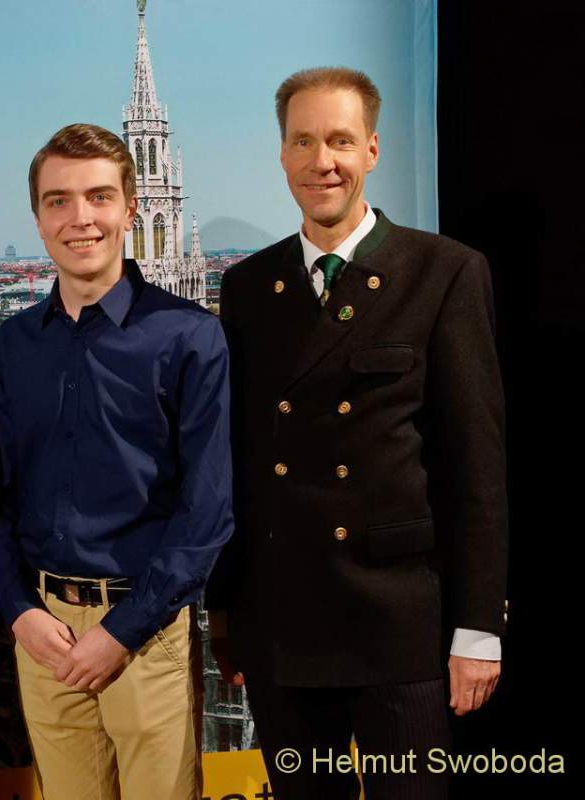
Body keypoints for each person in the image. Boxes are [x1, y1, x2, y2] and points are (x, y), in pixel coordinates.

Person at [206, 67, 508, 800]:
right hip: (284, 625)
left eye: (340, 141)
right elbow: (240, 465)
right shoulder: (248, 287)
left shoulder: (444, 272)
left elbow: (477, 469)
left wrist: (478, 629)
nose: (322, 162)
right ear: (282, 154)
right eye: (303, 141)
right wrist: (228, 612)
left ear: (372, 149)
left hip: (401, 628)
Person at [0, 123, 234, 800]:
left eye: (98, 197)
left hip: (146, 634)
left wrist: (122, 631)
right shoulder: (16, 342)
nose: (80, 217)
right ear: (38, 219)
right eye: (58, 200)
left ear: (130, 207)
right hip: (44, 633)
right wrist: (19, 611)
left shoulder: (189, 335)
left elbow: (206, 512)